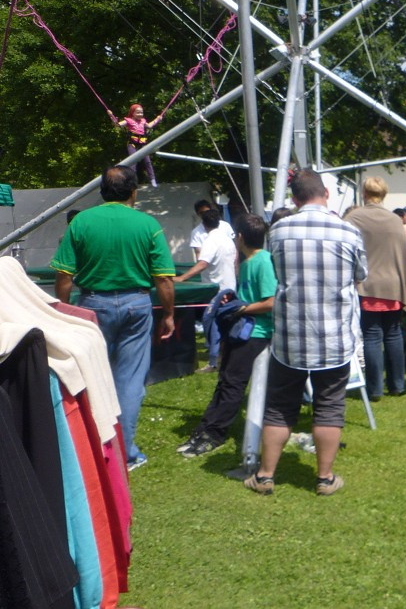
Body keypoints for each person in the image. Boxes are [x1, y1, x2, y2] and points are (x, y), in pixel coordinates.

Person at [244, 169, 367, 496]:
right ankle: (324, 478)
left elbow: (277, 270)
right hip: (335, 335)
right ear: (325, 192)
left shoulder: (279, 230)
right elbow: (360, 274)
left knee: (280, 406)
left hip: (290, 335)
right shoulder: (348, 231)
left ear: (294, 199)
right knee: (330, 405)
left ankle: (266, 474)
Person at [51, 165, 175, 470]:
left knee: (89, 377)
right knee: (130, 381)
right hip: (137, 304)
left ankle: (93, 447)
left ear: (102, 191)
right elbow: (164, 280)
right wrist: (169, 315)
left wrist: (62, 312)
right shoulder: (148, 225)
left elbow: (64, 275)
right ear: (134, 191)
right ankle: (125, 452)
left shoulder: (81, 222)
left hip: (92, 305)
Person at [175, 213, 276, 457]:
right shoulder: (248, 260)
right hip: (240, 328)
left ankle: (215, 434)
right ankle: (205, 428)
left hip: (256, 332)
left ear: (240, 237)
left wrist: (242, 309)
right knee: (224, 380)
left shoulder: (262, 261)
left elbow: (271, 302)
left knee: (233, 384)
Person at [344, 177, 406, 400]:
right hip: (393, 285)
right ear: (383, 194)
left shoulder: (353, 217)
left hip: (367, 286)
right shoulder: (395, 221)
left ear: (364, 193)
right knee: (393, 335)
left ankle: (375, 389)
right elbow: (405, 257)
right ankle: (397, 384)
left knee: (372, 337)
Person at [175, 207, 238, 373]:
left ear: (203, 224)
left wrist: (182, 278)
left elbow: (202, 263)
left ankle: (213, 362)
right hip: (230, 287)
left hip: (217, 291)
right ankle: (224, 359)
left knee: (212, 325)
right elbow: (235, 261)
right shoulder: (227, 239)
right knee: (225, 325)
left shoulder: (211, 241)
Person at [109, 104, 162, 187]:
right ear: (132, 113)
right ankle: (131, 181)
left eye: (141, 112)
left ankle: (152, 179)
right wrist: (111, 116)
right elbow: (118, 125)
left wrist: (157, 119)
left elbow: (150, 126)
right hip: (132, 143)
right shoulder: (128, 120)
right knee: (133, 162)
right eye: (138, 112)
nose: (140, 114)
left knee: (147, 162)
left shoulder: (143, 121)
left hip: (142, 143)